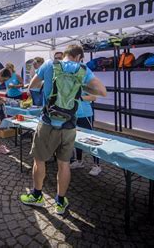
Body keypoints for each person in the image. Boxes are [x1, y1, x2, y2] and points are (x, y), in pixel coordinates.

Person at [20, 44, 106, 215]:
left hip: (47, 122)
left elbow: (33, 86)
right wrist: (80, 88)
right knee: (64, 164)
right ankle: (60, 202)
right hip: (69, 125)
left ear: (65, 54)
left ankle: (37, 196)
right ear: (79, 57)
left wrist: (47, 82)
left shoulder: (49, 65)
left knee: (40, 160)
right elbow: (102, 92)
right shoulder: (83, 69)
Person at [70, 92, 102, 176]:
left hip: (85, 115)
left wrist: (79, 97)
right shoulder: (71, 83)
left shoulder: (86, 82)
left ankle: (97, 165)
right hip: (73, 115)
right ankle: (79, 161)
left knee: (91, 140)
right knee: (76, 138)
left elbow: (93, 97)